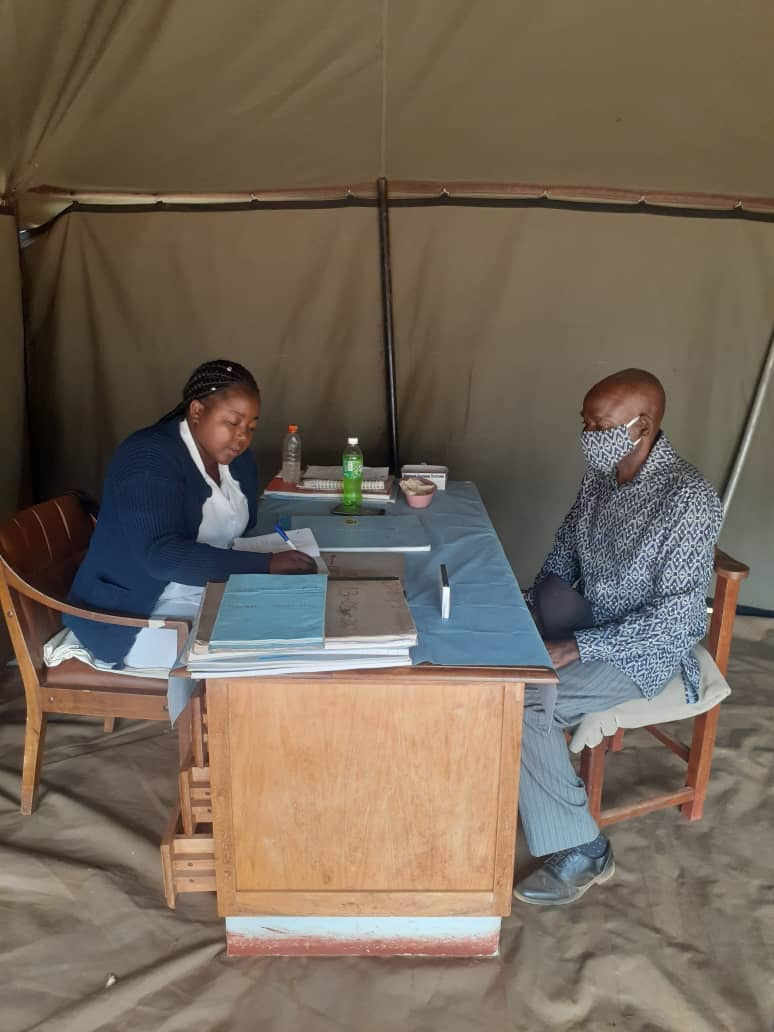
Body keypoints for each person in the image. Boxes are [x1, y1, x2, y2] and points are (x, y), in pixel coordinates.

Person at [514, 368, 722, 906]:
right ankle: (526, 785)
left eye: (599, 424)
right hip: (584, 618)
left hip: (641, 649)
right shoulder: (602, 476)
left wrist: (582, 646)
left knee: (526, 702)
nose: (588, 434)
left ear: (642, 424)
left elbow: (680, 618)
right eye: (584, 422)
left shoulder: (688, 499)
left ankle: (584, 849)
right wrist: (535, 600)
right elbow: (566, 546)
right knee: (498, 660)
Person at [59, 359, 316, 673]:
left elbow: (240, 530)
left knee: (301, 616)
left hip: (198, 590)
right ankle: (231, 718)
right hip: (134, 616)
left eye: (251, 427)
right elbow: (161, 557)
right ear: (196, 412)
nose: (242, 437)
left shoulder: (236, 461)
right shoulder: (148, 456)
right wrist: (266, 565)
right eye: (232, 422)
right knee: (271, 648)